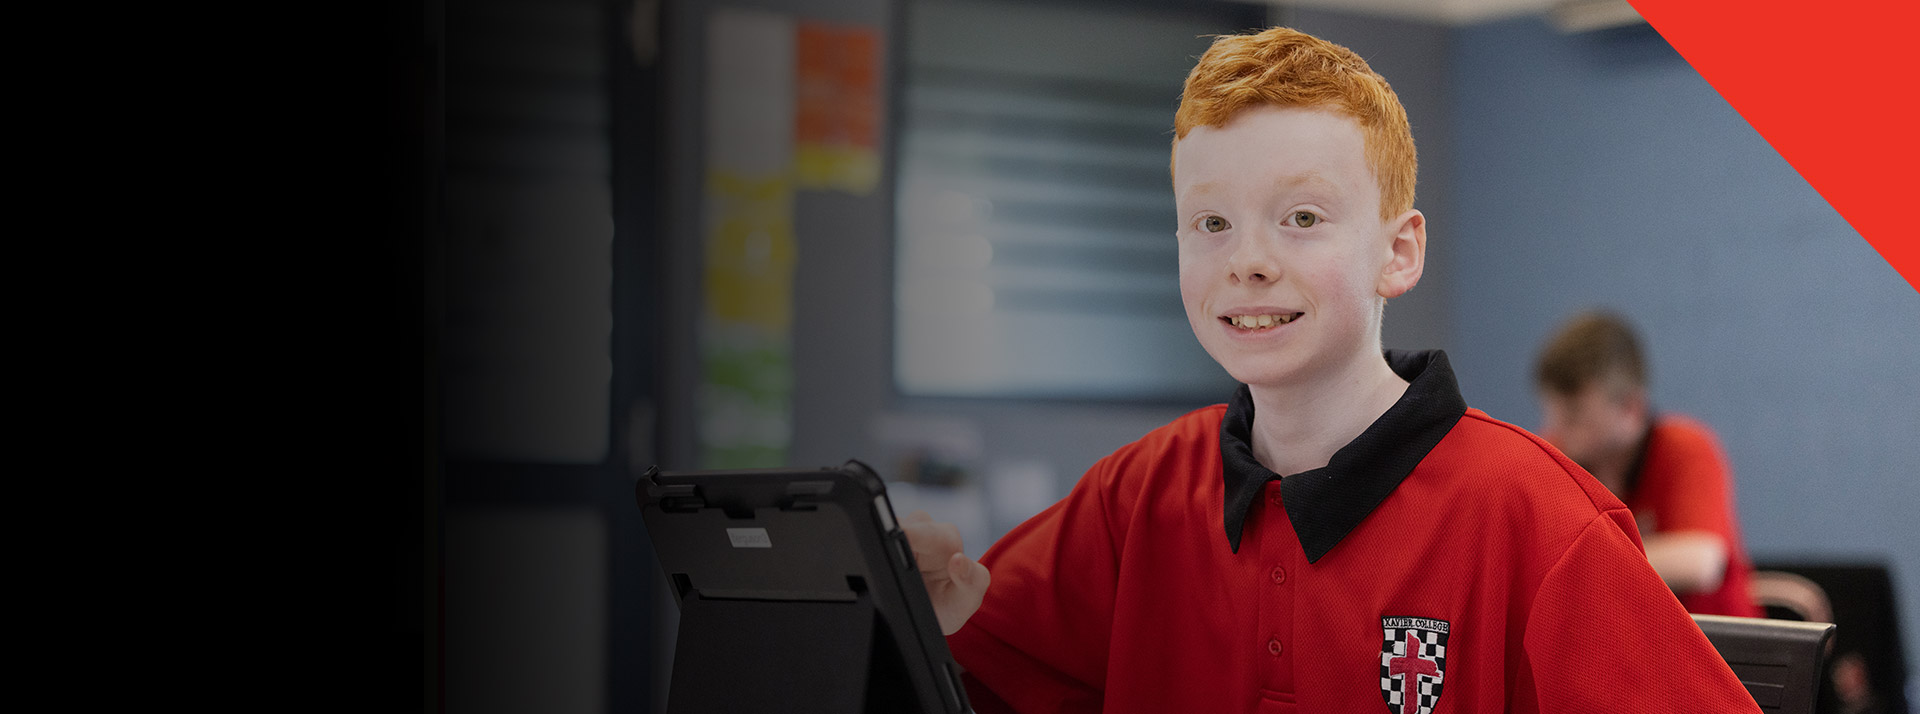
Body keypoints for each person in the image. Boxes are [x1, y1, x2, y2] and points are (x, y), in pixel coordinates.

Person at [901, 26, 1758, 713]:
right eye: (1210, 223)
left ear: (1399, 251)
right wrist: (911, 609)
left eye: (1301, 216)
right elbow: (970, 665)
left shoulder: (1536, 520)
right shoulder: (1136, 497)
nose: (1248, 260)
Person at [1533, 310, 1763, 618]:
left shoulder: (1686, 447)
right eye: (1552, 411)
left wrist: (1578, 563)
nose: (1555, 428)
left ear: (1630, 408)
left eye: (1574, 416)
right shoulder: (1554, 458)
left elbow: (1700, 562)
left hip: (1720, 652)